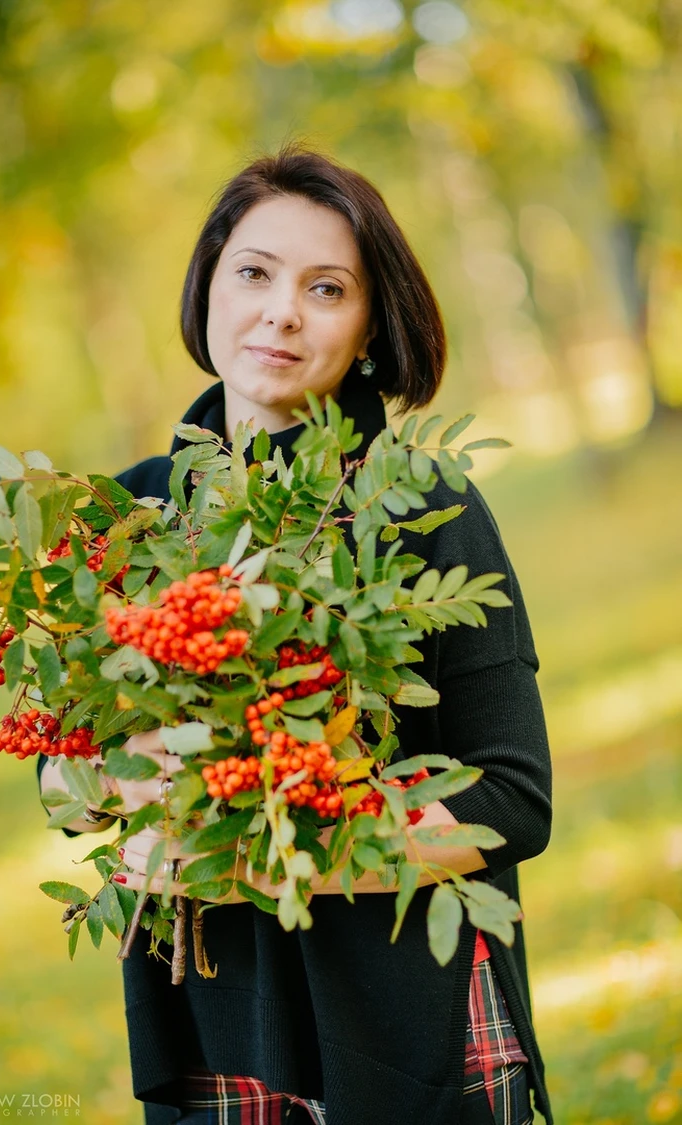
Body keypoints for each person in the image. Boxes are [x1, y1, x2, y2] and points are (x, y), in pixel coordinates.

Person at [37, 143, 553, 1125]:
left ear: (367, 329)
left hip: (403, 1019)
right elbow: (56, 769)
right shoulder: (125, 517)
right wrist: (120, 785)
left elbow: (514, 801)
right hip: (212, 1017)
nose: (281, 310)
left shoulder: (424, 508)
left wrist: (266, 853)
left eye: (326, 288)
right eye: (255, 273)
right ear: (208, 290)